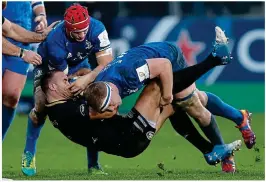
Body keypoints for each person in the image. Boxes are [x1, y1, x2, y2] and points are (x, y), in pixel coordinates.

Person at [85, 27, 255, 173]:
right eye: (108, 109)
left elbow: (164, 65)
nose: (113, 109)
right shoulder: (100, 89)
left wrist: (167, 96)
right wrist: (92, 162)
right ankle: (239, 118)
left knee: (189, 104)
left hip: (169, 57)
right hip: (154, 66)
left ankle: (221, 151)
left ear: (111, 92)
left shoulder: (129, 74)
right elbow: (92, 126)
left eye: (111, 105)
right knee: (194, 98)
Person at [41, 66, 241, 168]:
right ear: (52, 87)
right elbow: (106, 110)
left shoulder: (57, 109)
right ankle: (212, 62)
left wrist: (84, 79)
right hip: (129, 134)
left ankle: (211, 149)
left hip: (127, 140)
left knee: (175, 102)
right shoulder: (65, 111)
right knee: (158, 85)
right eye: (65, 80)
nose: (69, 81)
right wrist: (94, 84)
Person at [21, 3, 113, 176]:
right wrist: (80, 81)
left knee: (92, 104)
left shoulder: (97, 28)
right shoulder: (56, 40)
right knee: (41, 107)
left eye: (84, 30)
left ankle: (93, 164)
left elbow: (107, 63)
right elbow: (63, 81)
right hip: (48, 66)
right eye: (77, 32)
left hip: (80, 64)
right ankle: (29, 152)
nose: (82, 35)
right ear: (68, 29)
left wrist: (86, 78)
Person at [2, 1, 47, 140]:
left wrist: (42, 32)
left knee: (12, 95)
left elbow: (10, 29)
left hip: (18, 33)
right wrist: (22, 53)